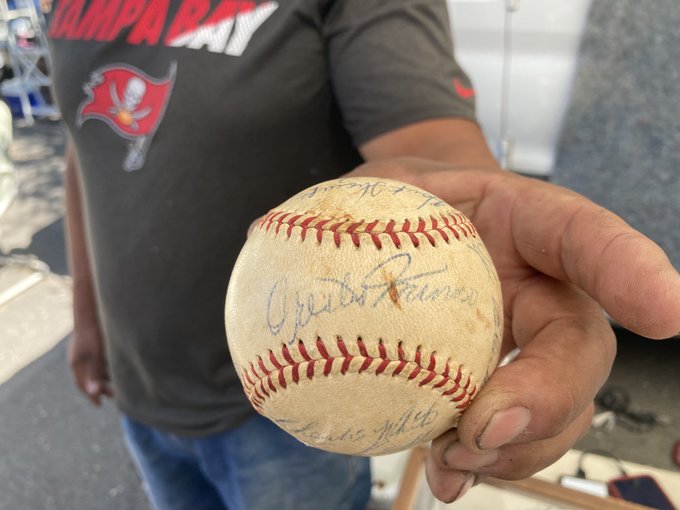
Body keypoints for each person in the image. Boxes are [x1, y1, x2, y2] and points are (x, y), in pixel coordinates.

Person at [47, 0, 680, 508]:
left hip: (296, 407)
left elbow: (426, 127)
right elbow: (90, 140)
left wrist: (471, 218)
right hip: (139, 380)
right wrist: (87, 308)